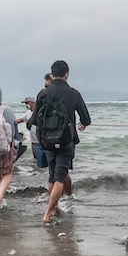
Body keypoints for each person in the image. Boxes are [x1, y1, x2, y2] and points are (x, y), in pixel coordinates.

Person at [28, 60, 91, 224]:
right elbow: (86, 119)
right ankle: (48, 212)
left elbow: (33, 121)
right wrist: (82, 125)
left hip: (46, 140)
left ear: (51, 74)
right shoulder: (73, 93)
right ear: (67, 75)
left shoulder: (42, 94)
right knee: (60, 176)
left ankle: (55, 208)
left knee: (52, 175)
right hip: (65, 140)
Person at [17, 97, 47, 168]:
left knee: (44, 159)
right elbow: (20, 120)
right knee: (35, 159)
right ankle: (36, 173)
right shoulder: (28, 113)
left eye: (27, 103)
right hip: (33, 140)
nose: (26, 105)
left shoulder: (41, 112)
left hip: (43, 140)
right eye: (25, 103)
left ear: (33, 103)